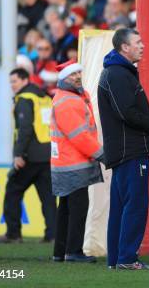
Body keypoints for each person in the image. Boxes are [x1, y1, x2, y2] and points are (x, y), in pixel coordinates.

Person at [97, 28, 149, 270]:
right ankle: (126, 258)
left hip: (124, 150)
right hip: (131, 150)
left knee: (121, 207)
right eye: (138, 42)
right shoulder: (117, 74)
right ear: (124, 47)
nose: (142, 45)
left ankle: (117, 259)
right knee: (135, 205)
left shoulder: (117, 73)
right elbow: (126, 112)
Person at [50, 60, 104, 263]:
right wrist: (102, 154)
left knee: (65, 209)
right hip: (74, 165)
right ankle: (73, 252)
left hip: (66, 163)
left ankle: (60, 253)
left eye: (79, 73)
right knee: (78, 209)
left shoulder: (67, 98)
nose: (78, 77)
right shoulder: (70, 101)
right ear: (64, 78)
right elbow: (80, 136)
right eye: (73, 75)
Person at [0, 68, 57, 244]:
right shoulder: (44, 97)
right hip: (48, 153)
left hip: (30, 155)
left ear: (24, 80)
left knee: (13, 192)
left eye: (14, 81)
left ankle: (13, 234)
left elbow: (25, 129)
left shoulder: (24, 99)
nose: (12, 85)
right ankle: (53, 235)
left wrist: (18, 154)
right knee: (48, 198)